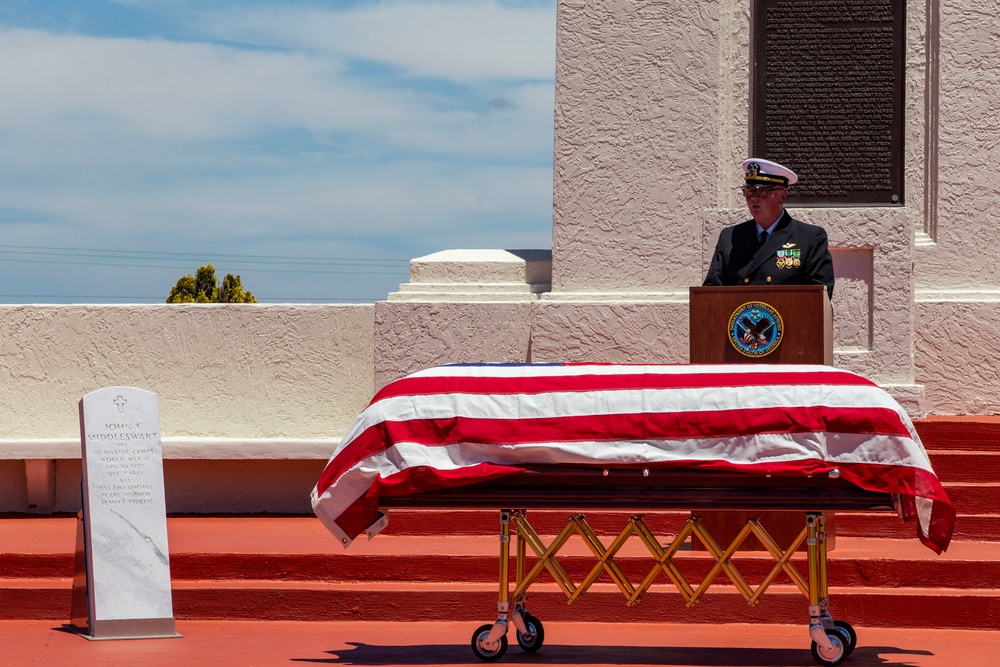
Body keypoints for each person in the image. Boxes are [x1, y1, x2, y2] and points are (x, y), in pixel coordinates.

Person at [703, 158, 834, 298]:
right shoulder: (730, 237)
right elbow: (711, 294)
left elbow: (819, 296)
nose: (754, 198)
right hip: (739, 319)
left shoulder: (809, 238)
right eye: (749, 191)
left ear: (782, 196)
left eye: (762, 191)